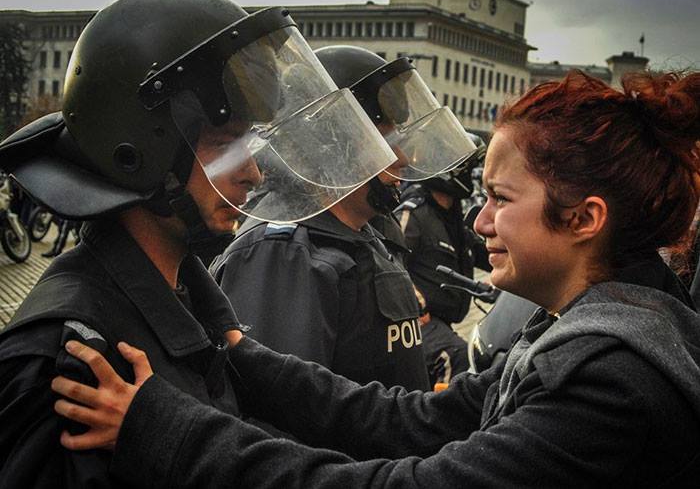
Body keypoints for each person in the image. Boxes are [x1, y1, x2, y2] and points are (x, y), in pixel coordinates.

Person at [53, 69, 700, 486]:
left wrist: (162, 429)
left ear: (585, 219)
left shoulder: (612, 377)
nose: (479, 222)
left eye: (501, 197)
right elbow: (410, 419)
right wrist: (242, 355)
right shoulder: (591, 332)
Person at [0, 0, 398, 486]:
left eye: (248, 146)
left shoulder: (197, 308)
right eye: (224, 144)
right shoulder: (71, 354)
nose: (251, 173)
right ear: (142, 149)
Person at [210, 45, 478, 391]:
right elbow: (280, 411)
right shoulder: (285, 254)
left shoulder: (373, 232)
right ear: (334, 142)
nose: (404, 156)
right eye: (385, 137)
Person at [395, 138, 491, 384]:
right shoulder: (414, 213)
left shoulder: (454, 218)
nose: (471, 177)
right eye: (466, 170)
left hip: (442, 323)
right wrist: (416, 304)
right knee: (456, 357)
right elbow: (389, 259)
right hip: (416, 323)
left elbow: (486, 253)